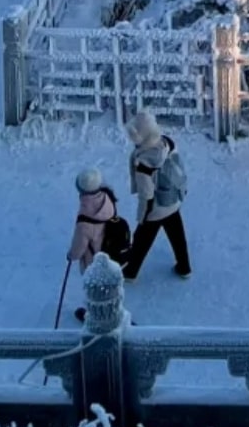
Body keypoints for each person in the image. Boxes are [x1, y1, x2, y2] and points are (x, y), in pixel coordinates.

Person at [121, 110, 192, 281]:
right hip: (172, 200)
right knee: (177, 236)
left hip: (155, 207)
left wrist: (142, 215)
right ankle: (184, 267)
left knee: (141, 240)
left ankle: (131, 271)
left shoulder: (144, 161)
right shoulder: (166, 144)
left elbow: (146, 193)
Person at [69, 168, 129, 322]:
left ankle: (98, 317)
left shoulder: (85, 221)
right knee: (111, 289)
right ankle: (116, 313)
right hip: (112, 255)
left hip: (95, 260)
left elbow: (78, 248)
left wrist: (71, 255)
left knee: (96, 291)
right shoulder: (107, 198)